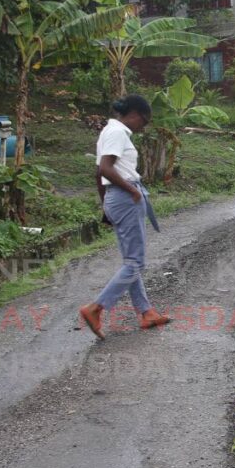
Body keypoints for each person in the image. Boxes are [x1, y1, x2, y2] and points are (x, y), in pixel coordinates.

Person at [79, 95, 170, 338]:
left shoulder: (110, 131)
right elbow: (106, 169)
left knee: (131, 260)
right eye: (145, 121)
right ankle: (96, 308)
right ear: (136, 114)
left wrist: (105, 206)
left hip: (115, 197)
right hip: (125, 196)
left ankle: (146, 312)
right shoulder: (118, 132)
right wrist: (132, 191)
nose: (144, 127)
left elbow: (100, 173)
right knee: (135, 262)